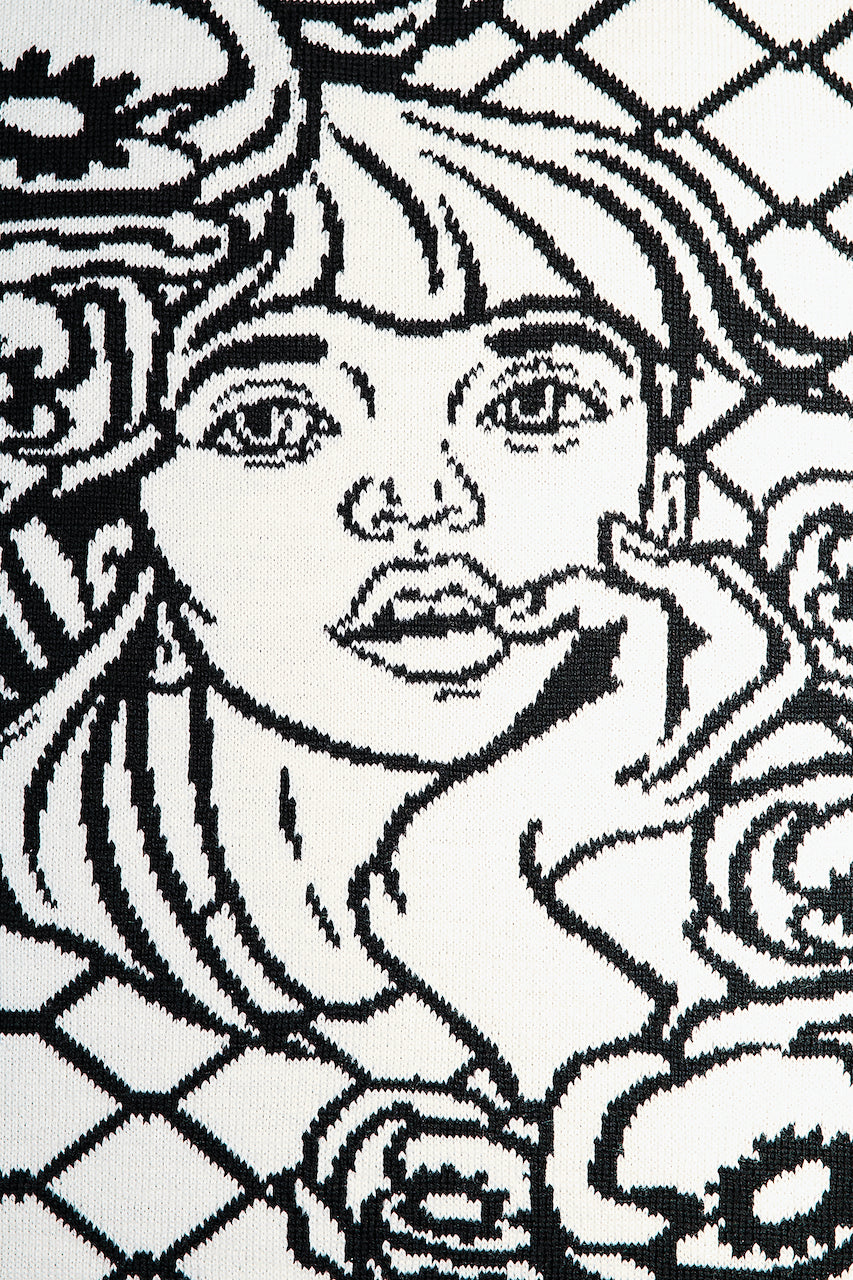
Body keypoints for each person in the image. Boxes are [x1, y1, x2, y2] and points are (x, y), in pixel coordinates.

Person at [2, 6, 849, 1277]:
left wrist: (467, 884)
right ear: (125, 539)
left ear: (666, 494)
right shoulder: (83, 960)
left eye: (537, 400)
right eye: (273, 420)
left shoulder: (796, 858)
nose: (420, 500)